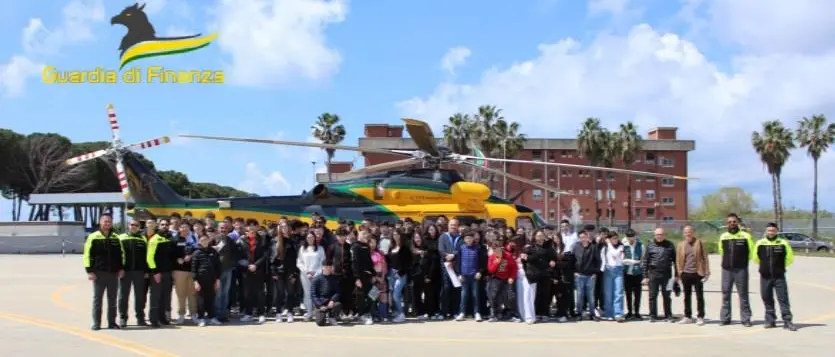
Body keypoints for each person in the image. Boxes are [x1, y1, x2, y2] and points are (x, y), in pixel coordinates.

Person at [83, 214, 125, 330]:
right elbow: (87, 255)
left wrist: (121, 269)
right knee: (98, 299)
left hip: (113, 273)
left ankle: (112, 322)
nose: (107, 224)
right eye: (105, 221)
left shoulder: (116, 238)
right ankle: (97, 323)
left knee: (112, 299)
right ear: (100, 222)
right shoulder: (93, 237)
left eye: (109, 222)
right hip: (98, 273)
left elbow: (121, 255)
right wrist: (89, 271)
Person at [754, 223, 797, 331]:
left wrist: (780, 267)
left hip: (779, 276)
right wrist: (765, 267)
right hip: (765, 276)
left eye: (773, 230)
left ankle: (787, 321)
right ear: (766, 231)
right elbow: (756, 258)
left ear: (776, 231)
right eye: (769, 230)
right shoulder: (760, 243)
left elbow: (789, 258)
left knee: (783, 299)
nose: (771, 232)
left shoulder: (783, 243)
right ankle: (770, 320)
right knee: (767, 298)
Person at [718, 213, 754, 327]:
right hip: (727, 270)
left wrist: (742, 262)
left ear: (737, 222)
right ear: (727, 224)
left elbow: (751, 251)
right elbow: (721, 251)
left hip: (741, 270)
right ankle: (725, 318)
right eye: (729, 222)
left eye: (734, 221)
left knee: (743, 294)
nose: (732, 223)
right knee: (725, 294)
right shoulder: (723, 236)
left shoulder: (745, 236)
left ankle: (746, 319)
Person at [521, 229, 557, 324]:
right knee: (535, 294)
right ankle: (535, 314)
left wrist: (553, 261)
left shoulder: (548, 247)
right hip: (534, 273)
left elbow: (553, 257)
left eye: (542, 236)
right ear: (534, 237)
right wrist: (527, 271)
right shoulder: (529, 247)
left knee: (545, 294)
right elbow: (524, 260)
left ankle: (544, 313)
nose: (540, 238)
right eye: (538, 236)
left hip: (545, 273)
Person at [641, 228, 677, 323]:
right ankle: (652, 315)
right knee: (652, 296)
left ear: (664, 235)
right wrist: (645, 276)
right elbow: (645, 261)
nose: (659, 236)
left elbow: (676, 261)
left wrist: (677, 275)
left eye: (661, 234)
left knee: (667, 296)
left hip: (667, 274)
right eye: (657, 234)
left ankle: (668, 315)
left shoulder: (670, 245)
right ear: (654, 235)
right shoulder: (650, 245)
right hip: (653, 273)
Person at [676, 225, 710, 325]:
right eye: (686, 232)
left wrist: (707, 271)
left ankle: (700, 316)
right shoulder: (681, 245)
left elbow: (705, 258)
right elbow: (678, 260)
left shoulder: (699, 243)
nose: (688, 234)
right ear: (683, 234)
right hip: (685, 273)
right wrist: (680, 272)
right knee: (687, 296)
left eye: (689, 232)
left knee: (699, 296)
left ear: (693, 232)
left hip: (697, 273)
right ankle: (687, 316)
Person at [117, 218, 147, 328]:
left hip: (139, 272)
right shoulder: (120, 238)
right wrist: (119, 268)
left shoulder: (143, 239)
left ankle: (140, 318)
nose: (134, 226)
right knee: (123, 296)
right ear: (128, 226)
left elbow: (146, 256)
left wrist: (146, 271)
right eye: (132, 224)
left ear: (139, 227)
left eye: (136, 225)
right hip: (125, 272)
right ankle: (122, 318)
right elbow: (117, 255)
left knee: (140, 296)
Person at [147, 218, 175, 328]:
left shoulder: (169, 239)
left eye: (166, 224)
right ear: (158, 226)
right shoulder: (154, 239)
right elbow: (149, 257)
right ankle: (153, 319)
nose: (164, 226)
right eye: (162, 224)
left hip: (167, 273)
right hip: (157, 273)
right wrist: (155, 272)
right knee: (155, 297)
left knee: (165, 297)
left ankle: (162, 318)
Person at [238, 226, 270, 324]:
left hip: (258, 270)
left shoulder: (261, 242)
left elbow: (264, 255)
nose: (251, 233)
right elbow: (239, 257)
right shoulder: (241, 242)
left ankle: (261, 314)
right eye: (249, 232)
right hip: (246, 271)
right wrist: (248, 265)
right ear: (246, 233)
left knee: (260, 293)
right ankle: (248, 314)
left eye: (253, 232)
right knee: (247, 294)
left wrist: (255, 265)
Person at [191, 235, 222, 327]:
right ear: (199, 242)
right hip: (200, 280)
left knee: (211, 299)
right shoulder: (196, 253)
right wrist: (195, 282)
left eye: (206, 240)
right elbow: (193, 269)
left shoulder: (214, 252)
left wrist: (217, 280)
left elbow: (218, 267)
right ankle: (201, 318)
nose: (204, 241)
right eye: (202, 240)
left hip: (211, 280)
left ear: (209, 241)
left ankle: (212, 317)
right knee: (200, 301)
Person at [454, 230, 484, 321]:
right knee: (464, 295)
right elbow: (457, 262)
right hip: (464, 276)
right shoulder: (461, 248)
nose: (468, 240)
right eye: (466, 238)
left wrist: (480, 272)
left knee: (475, 294)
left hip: (474, 275)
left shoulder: (478, 248)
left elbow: (482, 262)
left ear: (473, 239)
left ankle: (477, 313)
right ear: (464, 239)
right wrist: (458, 273)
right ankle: (462, 312)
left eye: (470, 238)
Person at [438, 218, 464, 319]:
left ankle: (455, 312)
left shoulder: (461, 238)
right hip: (446, 267)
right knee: (446, 289)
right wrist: (446, 256)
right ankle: (443, 312)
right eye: (451, 225)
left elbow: (460, 249)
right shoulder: (443, 236)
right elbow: (441, 249)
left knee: (456, 290)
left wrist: (453, 255)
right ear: (448, 226)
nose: (453, 227)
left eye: (455, 225)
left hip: (456, 268)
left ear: (458, 226)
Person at [486, 239, 518, 322]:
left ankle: (511, 314)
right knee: (493, 297)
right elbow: (491, 270)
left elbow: (514, 267)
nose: (497, 251)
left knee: (509, 297)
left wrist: (512, 277)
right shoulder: (492, 257)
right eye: (494, 249)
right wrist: (497, 262)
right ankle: (494, 314)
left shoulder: (508, 256)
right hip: (496, 279)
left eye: (498, 249)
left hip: (507, 279)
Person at [172, 222, 198, 324]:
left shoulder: (194, 239)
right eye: (182, 227)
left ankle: (193, 314)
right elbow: (170, 254)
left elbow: (197, 251)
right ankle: (181, 315)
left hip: (191, 270)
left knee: (192, 294)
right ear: (179, 229)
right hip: (179, 271)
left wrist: (191, 256)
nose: (184, 229)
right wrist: (177, 259)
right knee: (181, 294)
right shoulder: (174, 240)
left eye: (187, 228)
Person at [212, 221, 237, 322]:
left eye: (225, 228)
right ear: (218, 229)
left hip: (228, 270)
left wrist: (232, 264)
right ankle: (217, 315)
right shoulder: (213, 239)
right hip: (217, 271)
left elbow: (235, 253)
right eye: (222, 228)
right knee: (218, 293)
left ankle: (223, 314)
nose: (223, 230)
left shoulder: (230, 240)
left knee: (225, 293)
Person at [297, 232, 325, 321]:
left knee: (316, 294)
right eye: (308, 237)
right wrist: (307, 272)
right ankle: (309, 313)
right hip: (305, 275)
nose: (310, 239)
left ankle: (317, 313)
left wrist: (315, 273)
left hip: (317, 275)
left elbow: (323, 262)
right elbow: (299, 262)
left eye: (312, 237)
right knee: (307, 294)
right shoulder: (302, 249)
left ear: (314, 238)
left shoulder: (320, 248)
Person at [573, 231, 601, 321]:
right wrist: (574, 272)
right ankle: (579, 313)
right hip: (579, 275)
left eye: (584, 237)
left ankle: (592, 314)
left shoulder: (593, 247)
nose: (582, 239)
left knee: (591, 296)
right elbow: (572, 260)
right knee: (579, 295)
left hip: (590, 276)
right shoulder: (576, 247)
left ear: (587, 237)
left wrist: (595, 273)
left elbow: (598, 261)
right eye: (580, 237)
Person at [600, 231, 625, 322]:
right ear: (609, 239)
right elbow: (603, 258)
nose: (615, 240)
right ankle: (609, 313)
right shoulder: (605, 248)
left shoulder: (621, 247)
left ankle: (618, 313)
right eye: (613, 238)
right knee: (608, 293)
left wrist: (609, 244)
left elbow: (615, 254)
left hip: (618, 270)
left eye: (616, 238)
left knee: (618, 292)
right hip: (608, 270)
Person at [388, 229, 413, 323]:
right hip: (391, 273)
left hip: (401, 274)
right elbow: (389, 261)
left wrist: (401, 272)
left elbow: (409, 262)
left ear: (401, 235)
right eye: (394, 234)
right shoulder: (391, 247)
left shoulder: (405, 248)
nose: (395, 236)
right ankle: (396, 311)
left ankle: (401, 314)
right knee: (392, 293)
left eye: (397, 234)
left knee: (396, 294)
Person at [351, 230, 375, 325]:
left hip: (368, 275)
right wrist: (356, 278)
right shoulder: (355, 246)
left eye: (366, 234)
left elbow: (369, 262)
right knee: (360, 296)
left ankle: (366, 312)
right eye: (363, 234)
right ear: (359, 235)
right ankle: (362, 315)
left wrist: (373, 274)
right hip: (359, 276)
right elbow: (354, 263)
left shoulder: (367, 246)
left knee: (374, 293)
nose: (366, 235)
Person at [310, 259, 342, 326]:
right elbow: (313, 294)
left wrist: (332, 300)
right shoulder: (316, 279)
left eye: (330, 267)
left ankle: (331, 317)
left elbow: (338, 292)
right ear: (323, 267)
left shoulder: (334, 278)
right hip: (320, 303)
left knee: (338, 304)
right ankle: (321, 314)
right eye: (327, 267)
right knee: (320, 323)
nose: (328, 269)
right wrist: (319, 305)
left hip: (330, 302)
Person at [622, 229, 643, 320]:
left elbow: (642, 260)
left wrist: (638, 264)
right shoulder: (624, 246)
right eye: (629, 237)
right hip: (627, 273)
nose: (631, 239)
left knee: (638, 294)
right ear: (626, 237)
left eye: (632, 237)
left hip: (638, 273)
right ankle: (630, 312)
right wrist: (631, 261)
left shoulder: (640, 246)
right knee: (628, 294)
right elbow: (622, 259)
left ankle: (637, 312)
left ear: (635, 236)